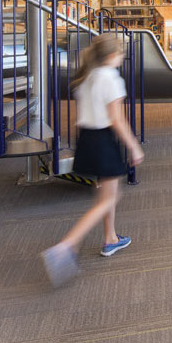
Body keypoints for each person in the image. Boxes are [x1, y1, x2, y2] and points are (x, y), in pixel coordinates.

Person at [42, 36, 145, 287]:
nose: (122, 59)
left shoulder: (87, 77)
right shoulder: (111, 79)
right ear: (112, 56)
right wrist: (134, 147)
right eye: (121, 54)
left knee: (105, 193)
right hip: (103, 140)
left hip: (87, 139)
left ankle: (110, 238)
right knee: (108, 199)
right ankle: (66, 245)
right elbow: (117, 120)